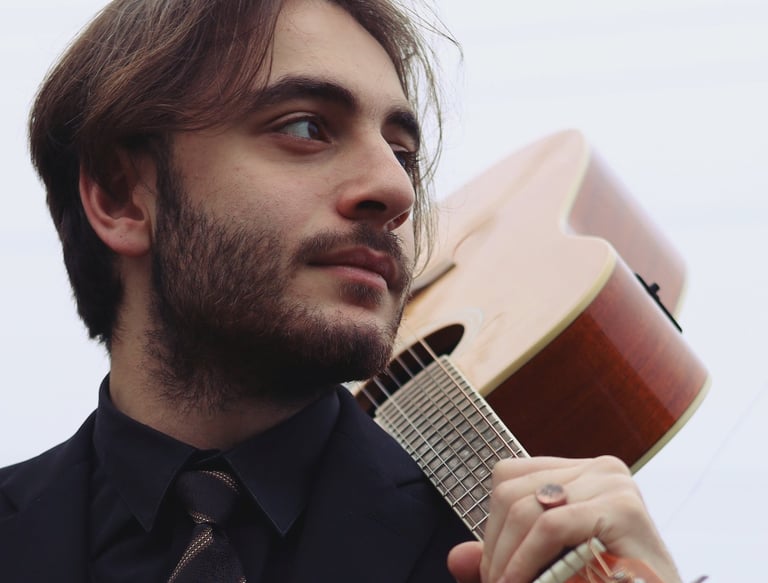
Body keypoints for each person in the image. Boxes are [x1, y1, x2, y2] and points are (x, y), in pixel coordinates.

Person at [0, 0, 683, 581]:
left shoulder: (510, 553)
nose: (395, 190)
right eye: (305, 127)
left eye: (404, 153)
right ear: (121, 196)